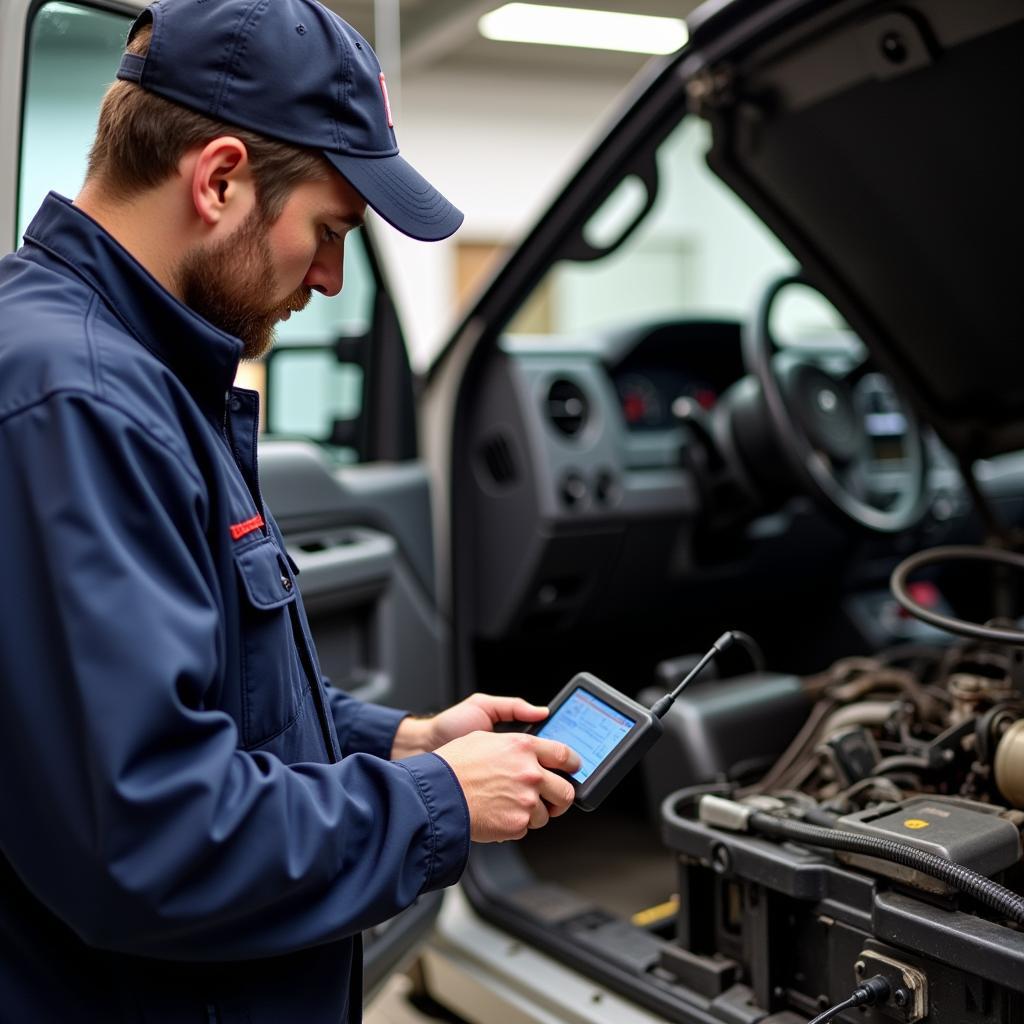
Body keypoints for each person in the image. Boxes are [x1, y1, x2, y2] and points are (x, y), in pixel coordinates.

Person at [0, 1, 580, 1021]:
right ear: (218, 178)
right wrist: (439, 801)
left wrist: (394, 742)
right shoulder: (77, 403)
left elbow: (193, 700)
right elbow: (149, 836)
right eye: (330, 229)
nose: (328, 275)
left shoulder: (127, 375)